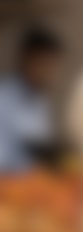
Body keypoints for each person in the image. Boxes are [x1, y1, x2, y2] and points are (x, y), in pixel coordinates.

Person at [0, 27, 63, 173]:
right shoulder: (4, 99)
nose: (50, 73)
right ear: (27, 59)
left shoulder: (41, 101)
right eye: (45, 64)